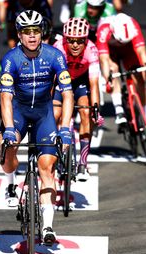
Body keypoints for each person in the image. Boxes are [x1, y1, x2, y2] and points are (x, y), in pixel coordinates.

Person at [0, 10, 74, 245]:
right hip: (19, 112)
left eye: (36, 31)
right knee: (7, 150)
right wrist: (9, 129)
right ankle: (11, 182)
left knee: (47, 167)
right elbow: (5, 98)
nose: (32, 36)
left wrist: (65, 128)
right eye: (26, 32)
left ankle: (48, 226)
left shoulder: (55, 56)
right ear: (19, 35)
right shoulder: (11, 58)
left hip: (44, 114)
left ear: (42, 33)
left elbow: (68, 95)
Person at [53, 17, 104, 181]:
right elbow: (50, 80)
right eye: (71, 41)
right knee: (54, 114)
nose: (75, 45)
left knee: (85, 113)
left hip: (81, 81)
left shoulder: (92, 50)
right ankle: (58, 152)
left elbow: (94, 84)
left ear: (86, 40)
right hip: (62, 80)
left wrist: (96, 109)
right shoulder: (58, 48)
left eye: (80, 41)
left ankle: (83, 163)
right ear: (65, 39)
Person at [96, 13, 146, 139]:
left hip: (129, 50)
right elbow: (104, 59)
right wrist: (108, 78)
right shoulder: (103, 29)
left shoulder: (133, 26)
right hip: (110, 51)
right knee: (113, 71)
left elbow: (141, 51)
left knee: (139, 78)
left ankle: (145, 121)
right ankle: (119, 111)